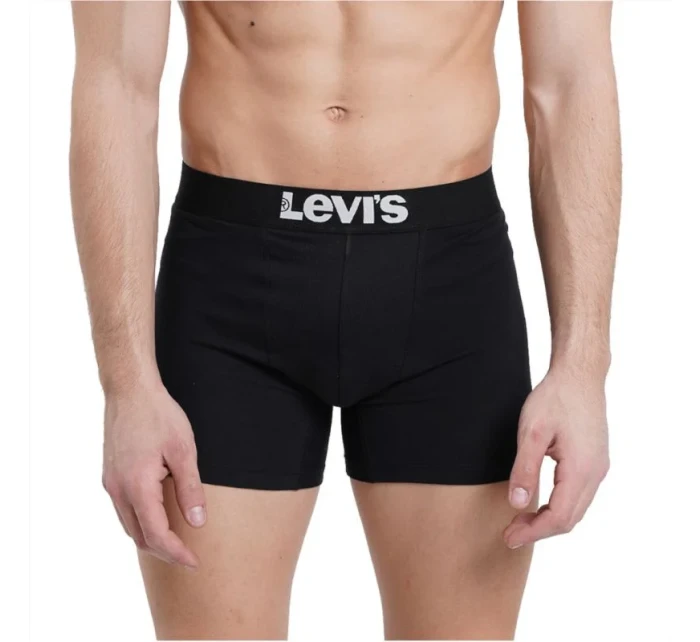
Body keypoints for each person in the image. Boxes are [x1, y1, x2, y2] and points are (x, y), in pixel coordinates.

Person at [69, 1, 620, 639]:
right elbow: (117, 85)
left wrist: (583, 368)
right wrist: (127, 383)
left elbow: (570, 81)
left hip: (450, 297)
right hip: (227, 295)